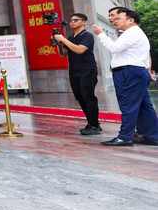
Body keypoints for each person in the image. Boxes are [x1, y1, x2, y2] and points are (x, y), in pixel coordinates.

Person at [91, 9, 158, 146]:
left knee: (128, 105)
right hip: (135, 72)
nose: (116, 21)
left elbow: (114, 48)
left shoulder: (132, 33)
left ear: (130, 20)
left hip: (129, 73)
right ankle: (152, 136)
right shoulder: (135, 33)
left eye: (119, 18)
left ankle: (124, 137)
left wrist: (101, 34)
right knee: (145, 107)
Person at [53, 13, 101, 135]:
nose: (72, 22)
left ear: (84, 22)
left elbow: (80, 50)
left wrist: (62, 39)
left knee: (88, 96)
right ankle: (91, 122)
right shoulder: (70, 38)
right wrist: (57, 41)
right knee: (80, 97)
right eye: (71, 20)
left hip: (87, 70)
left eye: (75, 20)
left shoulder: (87, 36)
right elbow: (63, 54)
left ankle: (94, 124)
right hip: (74, 71)